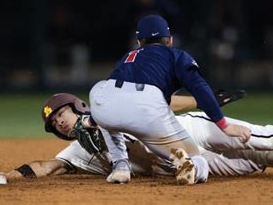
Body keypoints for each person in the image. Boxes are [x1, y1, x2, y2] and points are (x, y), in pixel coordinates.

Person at [0, 92, 273, 181]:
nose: (61, 123)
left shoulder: (108, 109)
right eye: (56, 125)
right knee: (267, 155)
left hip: (190, 130)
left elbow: (159, 101)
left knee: (257, 135)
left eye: (63, 115)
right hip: (191, 161)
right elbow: (45, 166)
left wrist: (204, 100)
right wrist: (7, 176)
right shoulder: (79, 150)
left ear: (78, 106)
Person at [88, 14, 252, 185]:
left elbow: (116, 98)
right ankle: (193, 167)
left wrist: (92, 119)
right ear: (170, 41)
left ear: (138, 42)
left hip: (104, 104)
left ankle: (120, 167)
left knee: (107, 111)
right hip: (147, 111)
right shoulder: (176, 56)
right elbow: (199, 87)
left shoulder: (127, 58)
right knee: (197, 156)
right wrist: (224, 126)